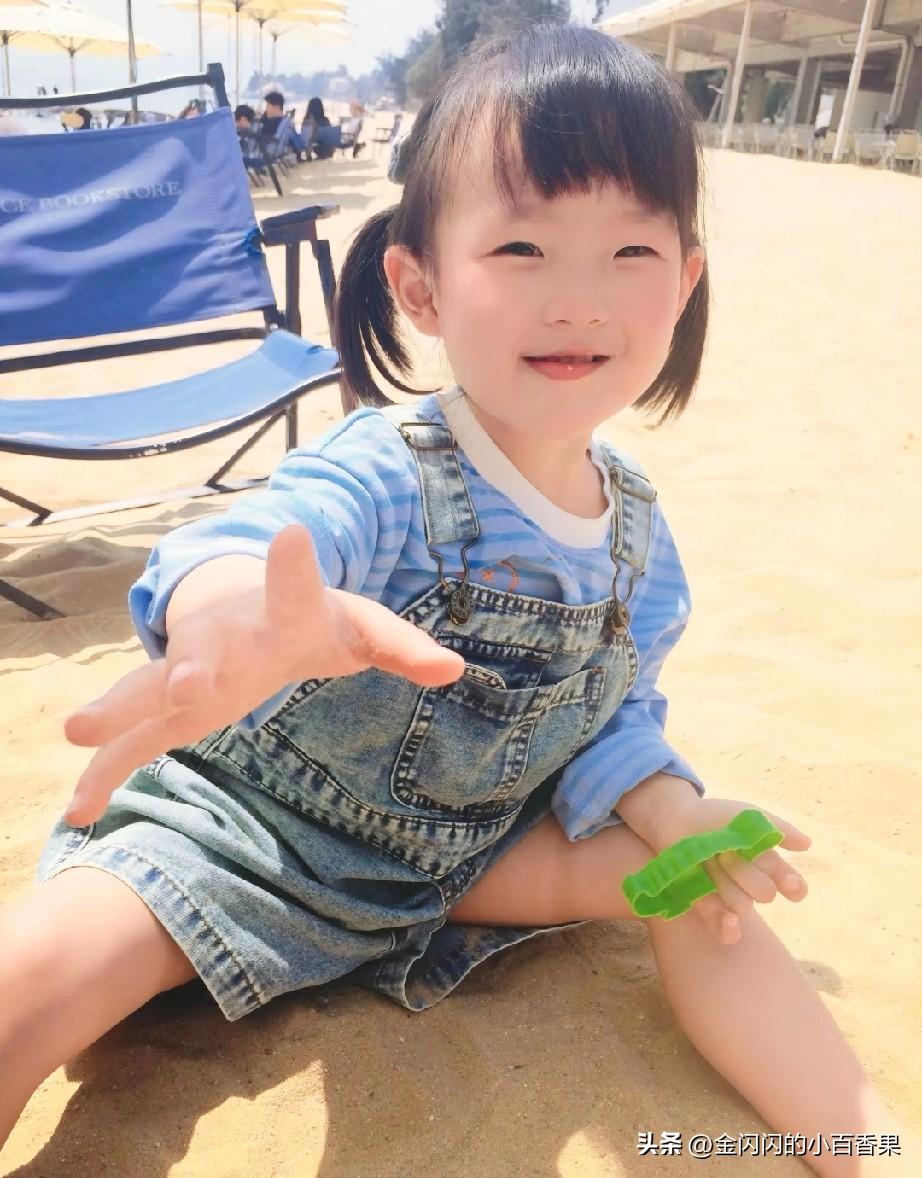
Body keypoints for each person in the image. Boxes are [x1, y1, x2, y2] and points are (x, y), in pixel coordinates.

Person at [0, 26, 914, 1172]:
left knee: (704, 878)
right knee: (29, 979)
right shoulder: (393, 467)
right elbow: (256, 540)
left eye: (630, 250)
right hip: (244, 842)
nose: (578, 299)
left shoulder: (642, 542)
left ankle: (861, 1139)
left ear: (684, 281)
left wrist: (667, 802)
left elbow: (606, 721)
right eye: (522, 246)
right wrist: (230, 613)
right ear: (419, 286)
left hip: (463, 860)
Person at [301, 94, 334, 159]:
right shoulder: (325, 120)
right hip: (325, 147)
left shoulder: (306, 121)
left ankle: (308, 155)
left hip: (312, 145)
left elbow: (304, 135)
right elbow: (329, 135)